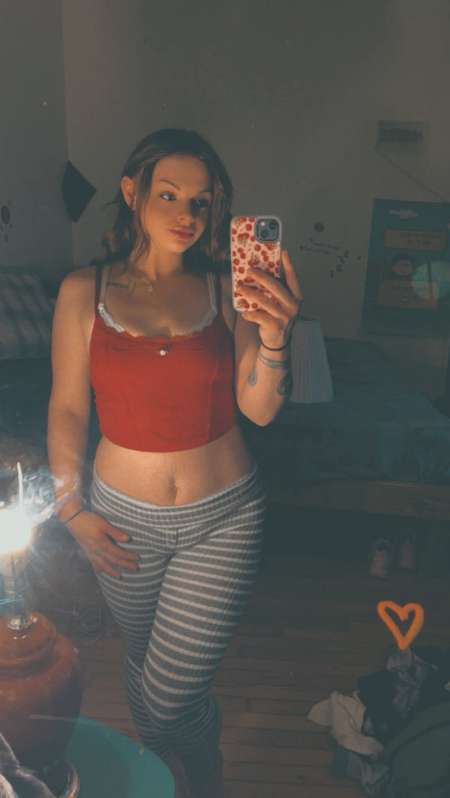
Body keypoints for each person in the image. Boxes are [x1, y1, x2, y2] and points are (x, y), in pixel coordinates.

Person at [47, 128, 302, 797]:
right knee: (143, 662)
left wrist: (276, 338)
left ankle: (197, 764)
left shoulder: (226, 290)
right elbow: (68, 408)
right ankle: (180, 777)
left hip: (224, 518)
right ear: (131, 192)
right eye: (168, 194)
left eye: (201, 201)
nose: (186, 213)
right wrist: (69, 509)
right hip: (121, 523)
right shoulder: (82, 291)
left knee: (169, 692)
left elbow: (260, 409)